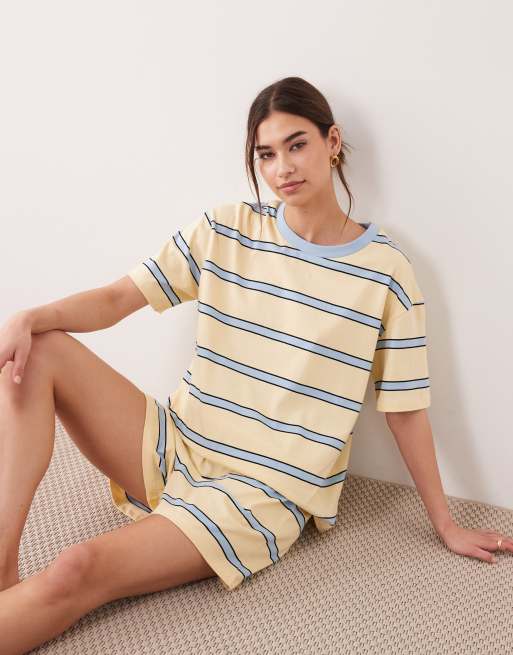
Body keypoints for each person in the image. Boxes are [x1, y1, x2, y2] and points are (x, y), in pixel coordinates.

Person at [0, 76, 511, 654]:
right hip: (177, 441)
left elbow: (405, 409)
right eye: (266, 154)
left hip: (261, 491)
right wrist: (29, 316)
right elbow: (120, 297)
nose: (282, 168)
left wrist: (445, 522)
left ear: (332, 142)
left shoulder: (386, 273)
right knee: (39, 347)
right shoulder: (227, 228)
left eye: (297, 145)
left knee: (77, 567)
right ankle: (2, 565)